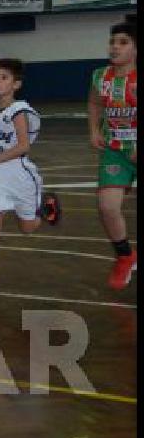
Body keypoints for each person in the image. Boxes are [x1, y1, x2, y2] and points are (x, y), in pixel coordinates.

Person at [0, 58, 61, 306]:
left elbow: (23, 146)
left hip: (18, 174)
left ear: (16, 84)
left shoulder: (20, 110)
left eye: (4, 77)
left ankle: (46, 205)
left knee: (28, 228)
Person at [87, 21, 137, 289]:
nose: (115, 47)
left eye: (123, 42)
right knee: (107, 206)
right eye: (113, 42)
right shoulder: (100, 76)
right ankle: (125, 256)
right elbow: (95, 102)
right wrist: (94, 129)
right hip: (115, 150)